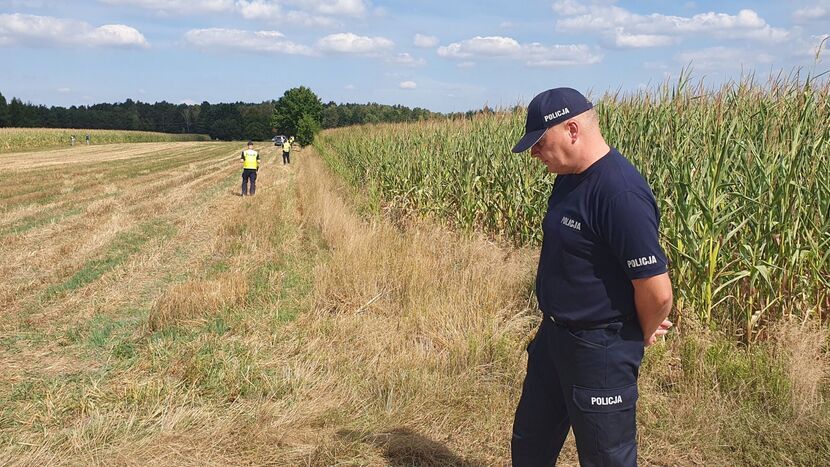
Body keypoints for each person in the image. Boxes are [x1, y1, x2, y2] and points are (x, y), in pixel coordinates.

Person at [510, 87, 673, 467]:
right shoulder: (568, 178)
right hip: (553, 339)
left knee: (606, 458)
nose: (534, 153)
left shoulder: (620, 193)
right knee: (530, 443)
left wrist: (638, 332)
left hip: (600, 351)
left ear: (571, 130)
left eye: (539, 142)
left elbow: (657, 292)